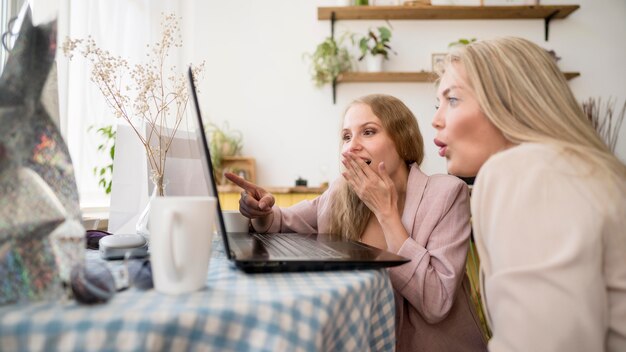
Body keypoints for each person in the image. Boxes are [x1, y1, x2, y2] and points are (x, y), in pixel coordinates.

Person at [226, 94, 487, 351]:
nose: (351, 147)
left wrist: (386, 214)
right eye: (347, 136)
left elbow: (436, 302)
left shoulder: (447, 193)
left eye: (369, 132)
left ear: (403, 140)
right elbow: (283, 221)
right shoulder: (341, 191)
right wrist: (262, 212)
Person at [431, 36, 626, 351]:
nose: (436, 119)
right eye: (437, 103)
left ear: (511, 102)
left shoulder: (529, 171)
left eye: (452, 99)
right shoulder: (574, 169)